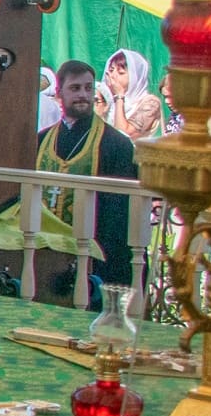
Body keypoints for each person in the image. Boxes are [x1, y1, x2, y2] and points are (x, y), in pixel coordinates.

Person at [38, 59, 141, 302]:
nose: (84, 95)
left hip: (98, 252)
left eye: (88, 88)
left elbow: (119, 213)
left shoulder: (117, 144)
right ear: (59, 92)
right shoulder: (41, 141)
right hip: (48, 253)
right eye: (75, 89)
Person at [102, 49, 164, 140]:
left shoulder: (151, 103)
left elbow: (123, 135)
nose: (113, 75)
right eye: (111, 70)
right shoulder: (103, 99)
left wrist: (119, 96)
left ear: (135, 77)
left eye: (121, 72)